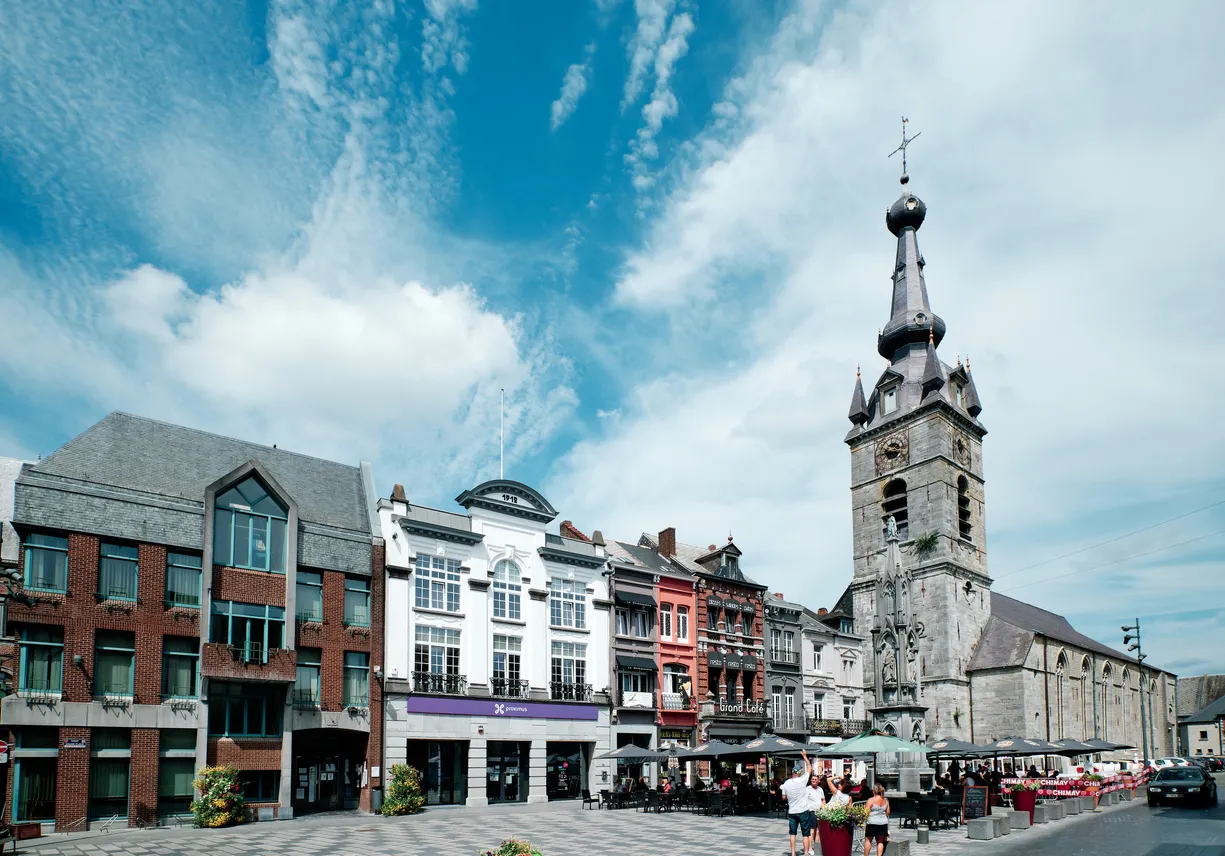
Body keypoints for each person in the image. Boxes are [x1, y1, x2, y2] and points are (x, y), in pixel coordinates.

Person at [780, 750, 815, 856]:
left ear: (792, 773)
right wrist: (805, 756)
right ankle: (805, 853)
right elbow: (810, 768)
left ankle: (793, 853)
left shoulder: (786, 783)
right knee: (805, 834)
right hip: (803, 810)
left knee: (792, 833)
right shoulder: (802, 780)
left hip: (792, 811)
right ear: (799, 773)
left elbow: (783, 797)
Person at [863, 784, 891, 856]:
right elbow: (888, 812)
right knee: (880, 841)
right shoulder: (886, 800)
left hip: (872, 822)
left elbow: (866, 812)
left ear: (874, 791)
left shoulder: (871, 800)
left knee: (868, 841)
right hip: (883, 823)